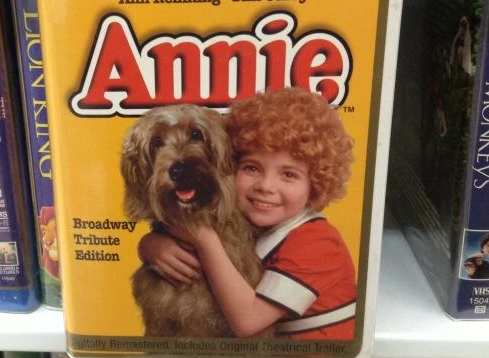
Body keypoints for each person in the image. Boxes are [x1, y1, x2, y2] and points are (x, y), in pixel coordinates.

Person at [138, 87, 357, 340]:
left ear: (316, 183)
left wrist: (203, 239)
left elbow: (247, 322)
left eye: (289, 174)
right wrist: (150, 245)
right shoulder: (256, 226)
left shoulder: (318, 243)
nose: (265, 186)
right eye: (252, 168)